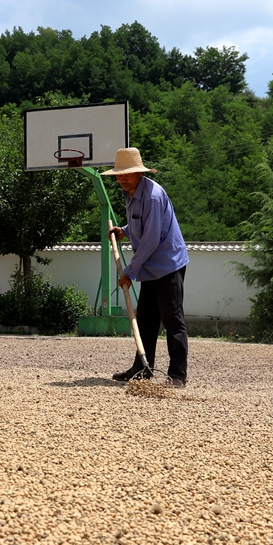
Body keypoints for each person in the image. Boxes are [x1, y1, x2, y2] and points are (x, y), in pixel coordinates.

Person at [103, 147, 189, 387]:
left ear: (139, 173)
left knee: (172, 319)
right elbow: (139, 225)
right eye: (119, 175)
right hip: (150, 266)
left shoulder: (152, 196)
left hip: (168, 264)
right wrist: (123, 231)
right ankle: (142, 369)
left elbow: (150, 239)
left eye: (127, 174)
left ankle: (177, 375)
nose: (122, 179)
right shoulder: (130, 193)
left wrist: (128, 273)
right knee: (146, 318)